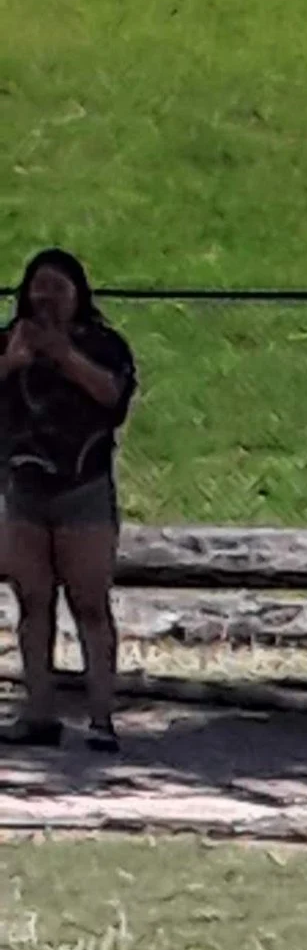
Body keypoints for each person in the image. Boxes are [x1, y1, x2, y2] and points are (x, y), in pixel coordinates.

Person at [0, 248, 137, 751]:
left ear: (78, 293)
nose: (47, 297)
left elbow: (112, 398)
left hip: (82, 490)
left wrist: (64, 356)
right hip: (23, 491)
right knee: (32, 603)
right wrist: (13, 362)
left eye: (58, 287)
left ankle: (101, 718)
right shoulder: (9, 341)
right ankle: (39, 714)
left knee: (89, 604)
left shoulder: (104, 345)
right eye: (39, 287)